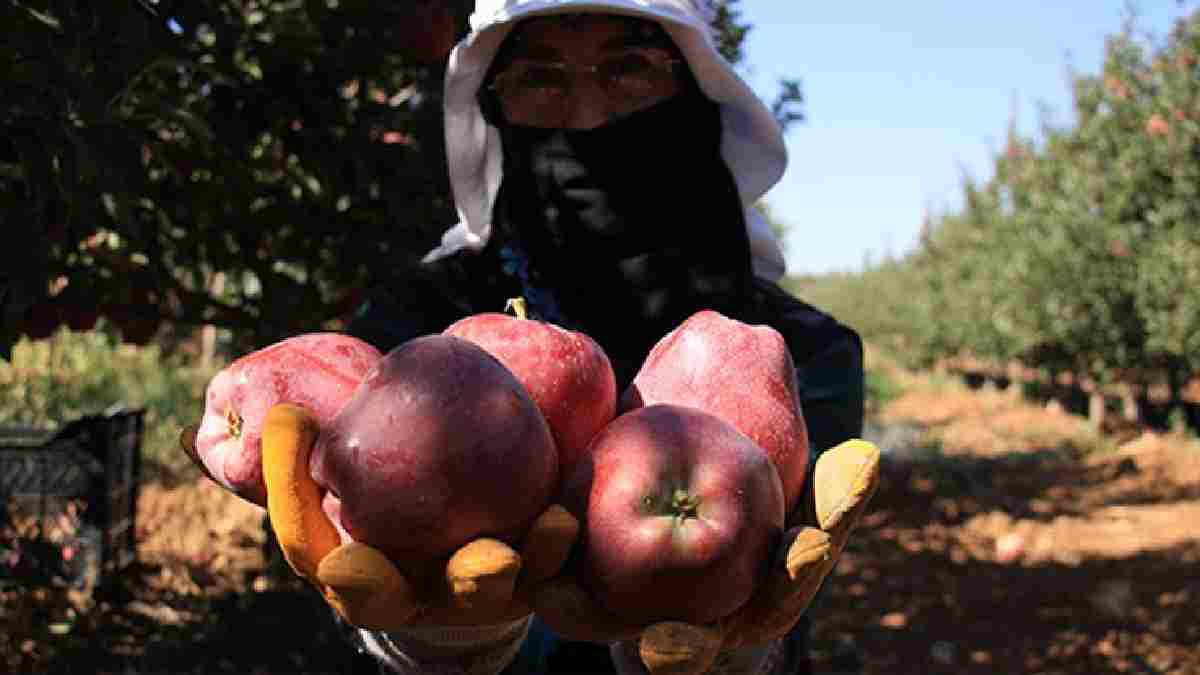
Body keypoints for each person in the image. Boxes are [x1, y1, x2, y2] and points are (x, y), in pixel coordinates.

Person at [271, 1, 875, 673]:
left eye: (629, 68)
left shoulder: (797, 354)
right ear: (495, 108)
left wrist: (734, 642)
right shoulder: (415, 332)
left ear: (693, 94)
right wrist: (433, 640)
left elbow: (783, 594)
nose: (587, 113)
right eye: (541, 77)